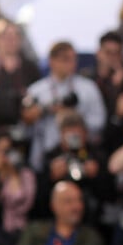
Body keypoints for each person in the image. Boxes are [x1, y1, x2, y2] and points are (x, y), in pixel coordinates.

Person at [21, 41, 106, 172]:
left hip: (81, 151)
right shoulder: (36, 91)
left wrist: (73, 117)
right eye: (65, 59)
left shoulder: (88, 88)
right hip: (45, 153)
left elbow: (99, 121)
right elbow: (25, 128)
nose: (72, 63)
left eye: (74, 59)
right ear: (52, 61)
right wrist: (42, 111)